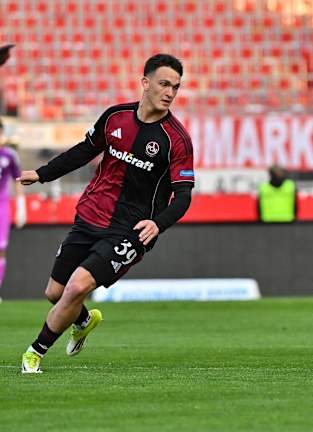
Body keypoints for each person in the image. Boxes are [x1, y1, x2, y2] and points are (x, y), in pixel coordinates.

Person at [17, 54, 194, 374]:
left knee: (74, 288)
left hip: (129, 231)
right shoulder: (115, 117)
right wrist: (41, 174)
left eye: (176, 87)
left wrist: (158, 223)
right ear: (145, 83)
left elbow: (183, 197)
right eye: (164, 84)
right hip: (90, 216)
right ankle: (83, 320)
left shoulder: (176, 140)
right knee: (54, 293)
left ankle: (35, 353)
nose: (170, 92)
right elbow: (84, 150)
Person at [0, 118, 26, 299]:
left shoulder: (9, 155)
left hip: (2, 205)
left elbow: (18, 180)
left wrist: (21, 206)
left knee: (1, 248)